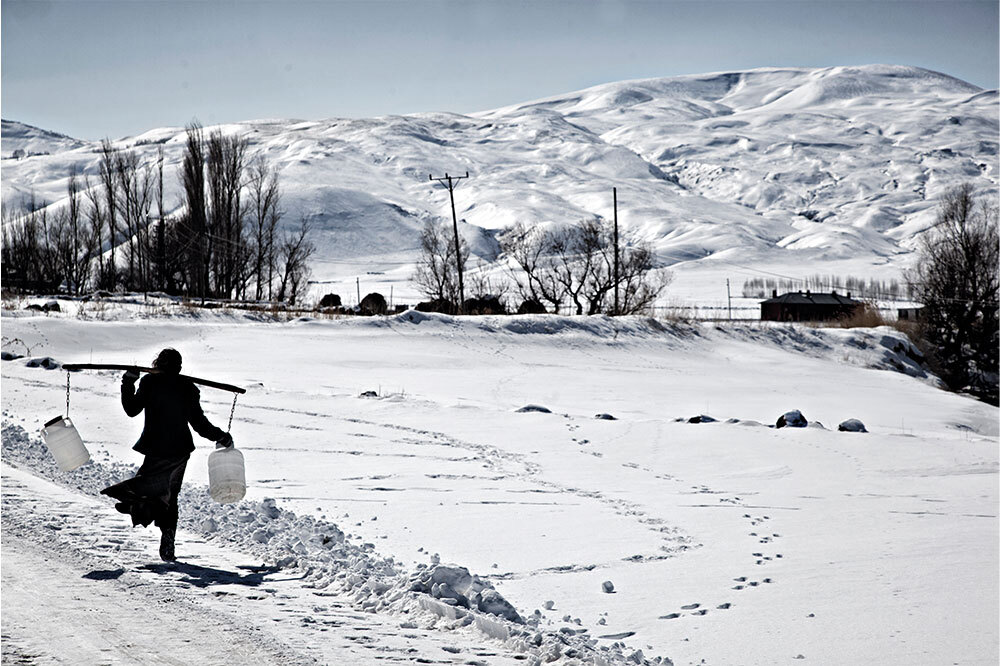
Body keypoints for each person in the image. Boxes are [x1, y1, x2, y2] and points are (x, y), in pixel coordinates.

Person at [101, 348, 233, 561]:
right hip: (179, 451)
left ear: (158, 365)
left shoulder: (150, 383)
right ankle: (166, 536)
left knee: (149, 487)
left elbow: (131, 409)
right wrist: (221, 436)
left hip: (156, 449)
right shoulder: (187, 388)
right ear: (179, 367)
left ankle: (137, 505)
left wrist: (128, 382)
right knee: (169, 496)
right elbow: (199, 424)